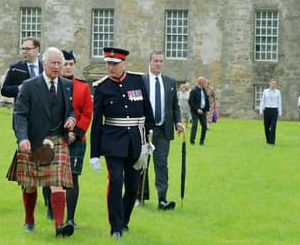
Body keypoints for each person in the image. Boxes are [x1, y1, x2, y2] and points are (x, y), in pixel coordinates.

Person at [9, 47, 76, 237]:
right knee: (30, 183)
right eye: (53, 63)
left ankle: (59, 226)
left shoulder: (66, 85)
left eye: (59, 64)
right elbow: (20, 114)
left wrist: (72, 119)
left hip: (57, 139)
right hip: (34, 139)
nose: (56, 67)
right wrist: (22, 138)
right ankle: (29, 219)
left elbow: (70, 110)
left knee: (57, 182)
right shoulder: (30, 85)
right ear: (44, 64)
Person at [90, 47, 154, 239]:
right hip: (112, 142)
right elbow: (97, 123)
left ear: (123, 64)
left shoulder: (137, 81)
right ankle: (115, 227)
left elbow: (147, 112)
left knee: (133, 186)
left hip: (136, 141)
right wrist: (94, 154)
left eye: (115, 64)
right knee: (116, 181)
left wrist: (150, 138)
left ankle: (124, 220)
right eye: (108, 64)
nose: (110, 68)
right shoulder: (101, 87)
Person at [141, 50, 184, 211]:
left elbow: (175, 107)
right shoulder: (142, 81)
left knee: (161, 164)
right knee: (142, 163)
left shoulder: (170, 82)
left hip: (163, 130)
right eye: (155, 61)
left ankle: (162, 199)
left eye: (161, 61)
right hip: (145, 129)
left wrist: (178, 122)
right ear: (150, 62)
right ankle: (140, 196)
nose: (158, 64)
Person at [60, 49, 93, 229]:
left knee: (72, 178)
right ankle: (53, 210)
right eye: (65, 63)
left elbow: (87, 113)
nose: (67, 67)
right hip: (57, 137)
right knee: (54, 178)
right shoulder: (54, 85)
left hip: (77, 139)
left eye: (71, 64)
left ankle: (71, 218)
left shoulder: (83, 87)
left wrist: (76, 133)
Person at [259, 79, 282, 145]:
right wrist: (261, 110)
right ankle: (268, 139)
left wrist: (280, 112)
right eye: (272, 83)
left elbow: (279, 102)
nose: (273, 85)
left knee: (273, 126)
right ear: (269, 84)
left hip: (274, 110)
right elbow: (262, 101)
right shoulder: (265, 91)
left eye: (275, 83)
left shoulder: (278, 92)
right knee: (266, 126)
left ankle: (272, 141)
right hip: (267, 110)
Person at [188, 77, 210, 146]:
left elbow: (206, 100)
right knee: (195, 125)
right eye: (205, 82)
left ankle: (202, 141)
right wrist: (197, 109)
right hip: (195, 111)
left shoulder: (204, 90)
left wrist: (207, 109)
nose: (206, 84)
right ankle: (192, 141)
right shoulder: (194, 90)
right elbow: (190, 101)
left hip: (203, 111)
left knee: (204, 125)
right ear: (200, 82)